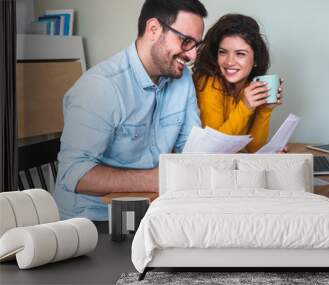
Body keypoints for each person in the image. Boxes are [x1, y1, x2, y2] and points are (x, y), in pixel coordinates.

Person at [54, 0, 207, 220]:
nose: (192, 55)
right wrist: (157, 178)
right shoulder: (101, 86)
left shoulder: (183, 79)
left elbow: (190, 148)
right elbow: (73, 174)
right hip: (94, 222)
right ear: (153, 29)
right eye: (186, 41)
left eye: (196, 46)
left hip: (151, 213)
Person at [193, 14, 283, 153]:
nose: (229, 62)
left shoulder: (248, 85)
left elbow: (254, 148)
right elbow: (214, 148)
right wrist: (246, 107)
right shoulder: (209, 82)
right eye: (223, 52)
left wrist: (264, 110)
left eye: (240, 54)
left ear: (256, 59)